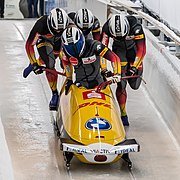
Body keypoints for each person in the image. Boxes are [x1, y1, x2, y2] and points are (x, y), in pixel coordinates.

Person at [101, 13, 146, 126]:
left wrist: (135, 66)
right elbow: (103, 50)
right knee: (121, 83)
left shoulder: (136, 27)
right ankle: (123, 113)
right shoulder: (106, 28)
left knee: (135, 85)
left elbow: (142, 49)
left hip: (133, 51)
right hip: (118, 52)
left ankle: (132, 69)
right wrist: (104, 68)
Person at [25, 7, 70, 110]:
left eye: (61, 29)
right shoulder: (41, 25)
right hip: (45, 41)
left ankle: (39, 61)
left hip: (60, 42)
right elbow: (29, 45)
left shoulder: (70, 25)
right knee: (50, 63)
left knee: (66, 61)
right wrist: (34, 64)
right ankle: (54, 93)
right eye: (56, 29)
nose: (58, 31)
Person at [61, 26, 121, 93]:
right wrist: (69, 78)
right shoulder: (66, 52)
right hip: (80, 85)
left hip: (99, 84)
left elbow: (114, 57)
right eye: (70, 48)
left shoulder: (95, 46)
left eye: (76, 46)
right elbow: (66, 63)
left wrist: (117, 73)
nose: (74, 49)